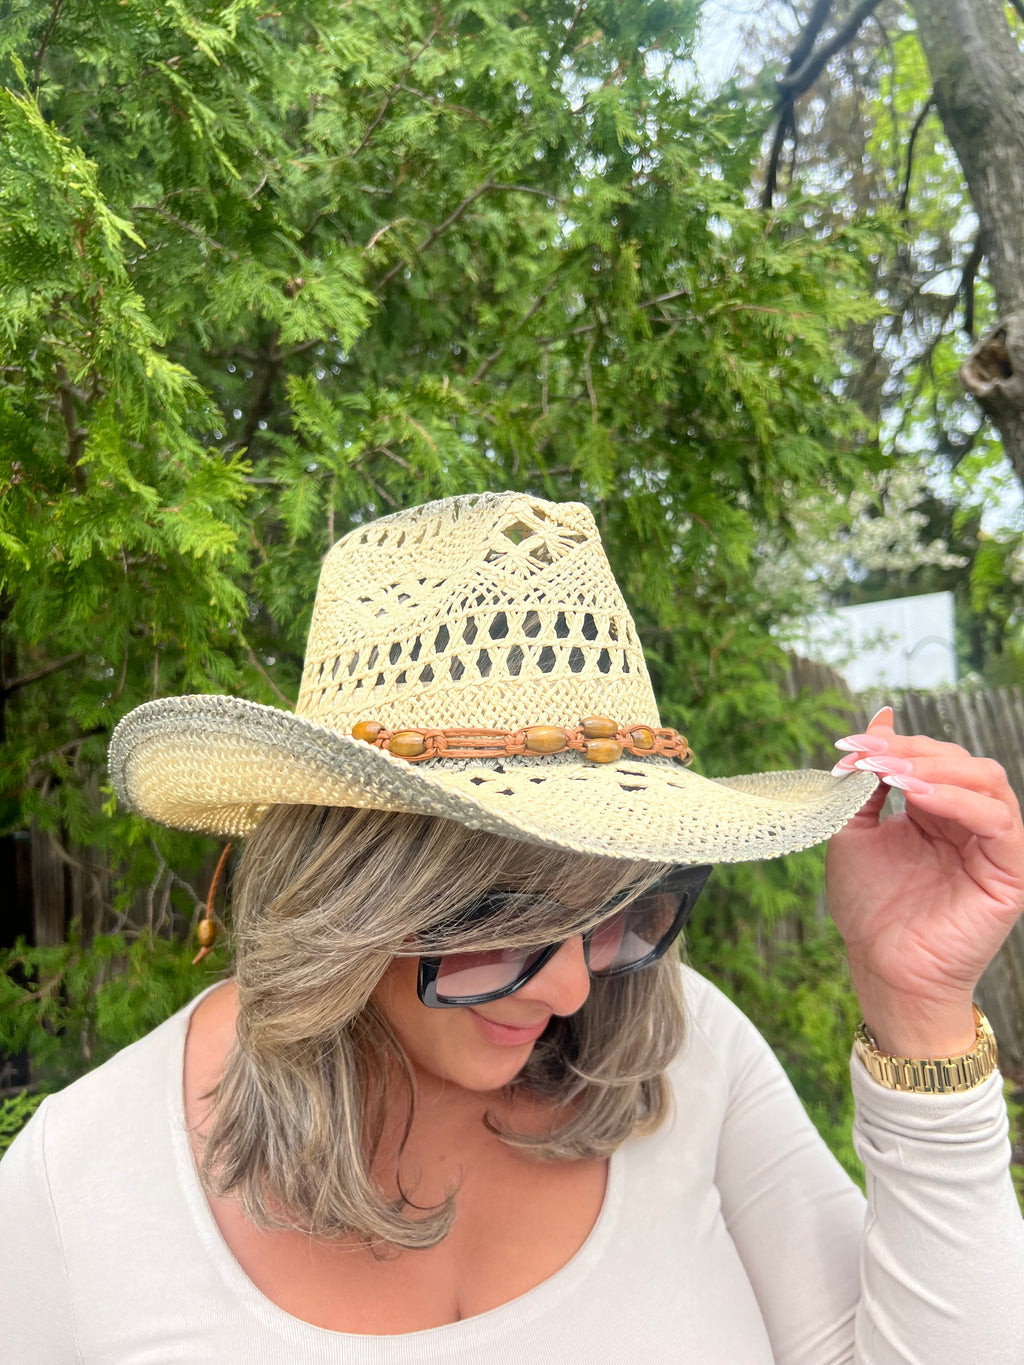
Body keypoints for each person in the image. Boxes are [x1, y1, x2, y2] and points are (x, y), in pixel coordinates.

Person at [2, 490, 1023, 1364]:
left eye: (619, 910)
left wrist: (916, 1009)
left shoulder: (680, 1053)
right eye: (508, 922)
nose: (575, 993)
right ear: (352, 902)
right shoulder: (76, 1184)